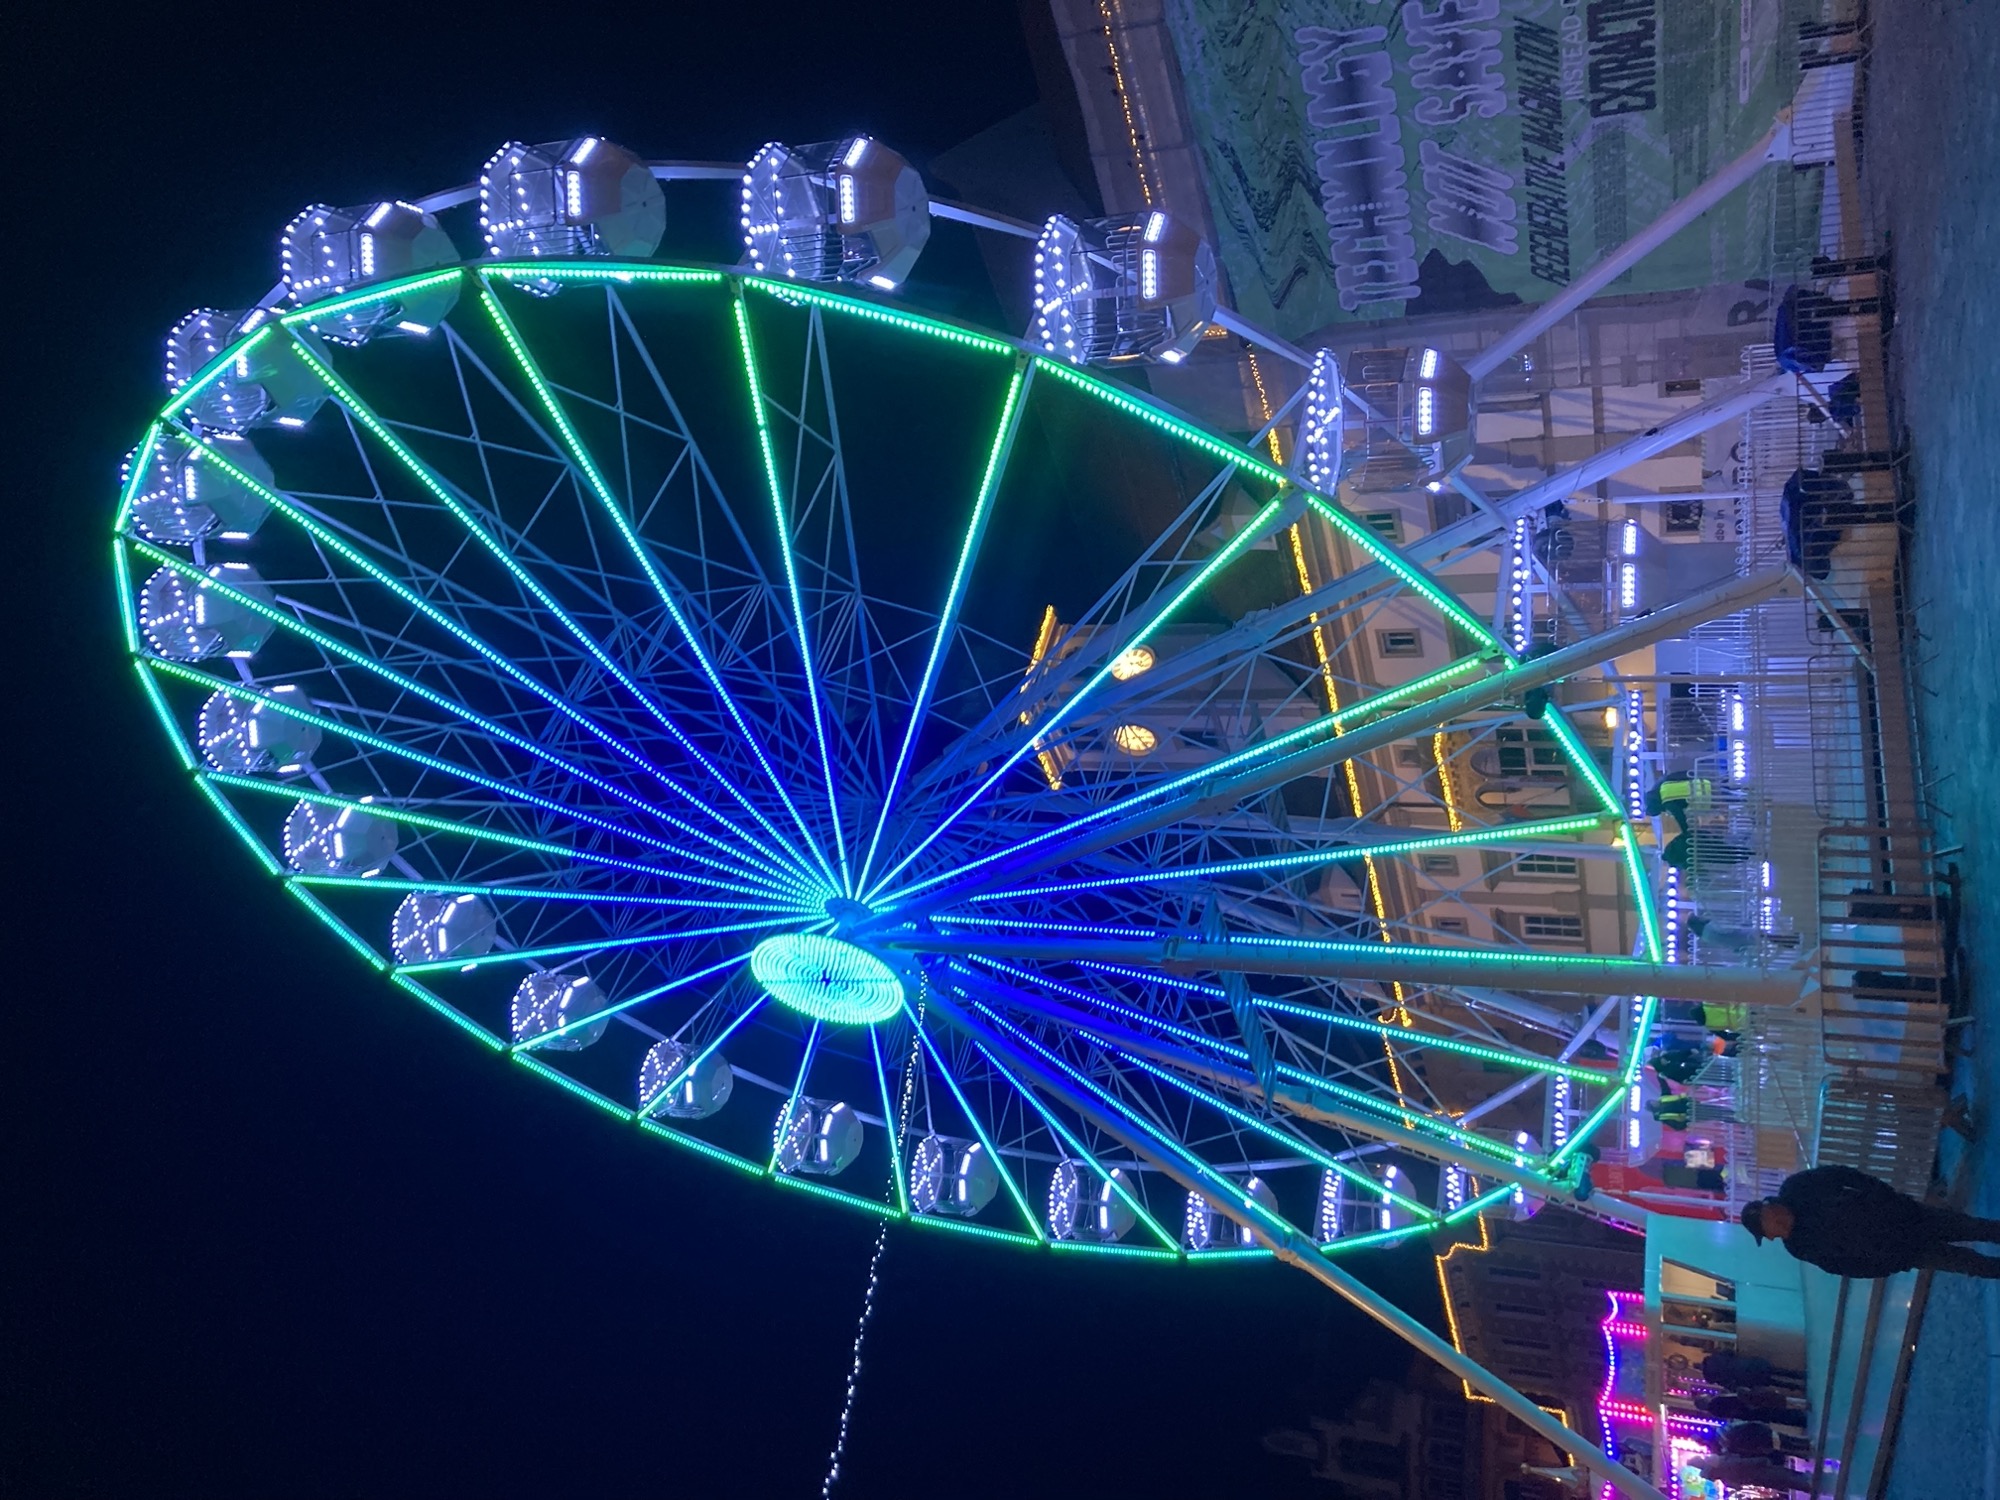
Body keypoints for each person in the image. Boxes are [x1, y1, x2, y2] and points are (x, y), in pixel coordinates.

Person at [1741, 1165, 2000, 1278]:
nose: (1774, 1237)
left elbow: (1842, 1175)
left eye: (1769, 1231)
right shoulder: (1798, 1246)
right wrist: (1891, 1265)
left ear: (1770, 1213)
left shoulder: (1797, 1188)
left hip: (1904, 1216)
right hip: (1902, 1252)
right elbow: (1841, 1266)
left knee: (1972, 1228)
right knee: (1970, 1264)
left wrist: (1883, 1195)